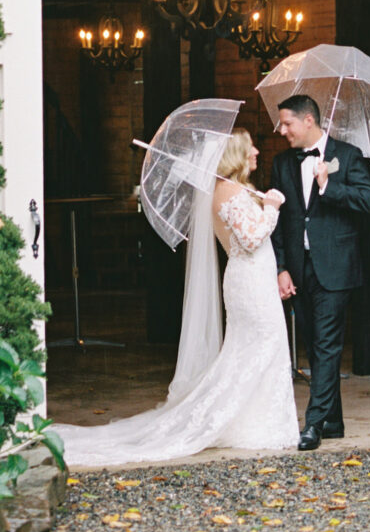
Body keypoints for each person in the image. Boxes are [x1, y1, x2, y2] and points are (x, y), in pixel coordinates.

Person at [56, 128, 299, 467]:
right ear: (235, 155)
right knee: (258, 346)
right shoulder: (226, 191)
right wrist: (272, 208)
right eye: (250, 148)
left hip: (254, 279)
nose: (256, 151)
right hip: (249, 283)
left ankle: (255, 420)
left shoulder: (235, 188)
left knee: (258, 348)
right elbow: (252, 238)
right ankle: (245, 423)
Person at [271, 93, 370, 451]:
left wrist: (328, 186)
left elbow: (367, 200)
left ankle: (313, 424)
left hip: (335, 266)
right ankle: (333, 420)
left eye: (287, 123)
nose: (282, 130)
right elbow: (280, 222)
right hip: (299, 269)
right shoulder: (281, 164)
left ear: (309, 121)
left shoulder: (346, 156)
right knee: (316, 346)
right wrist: (282, 267)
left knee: (328, 345)